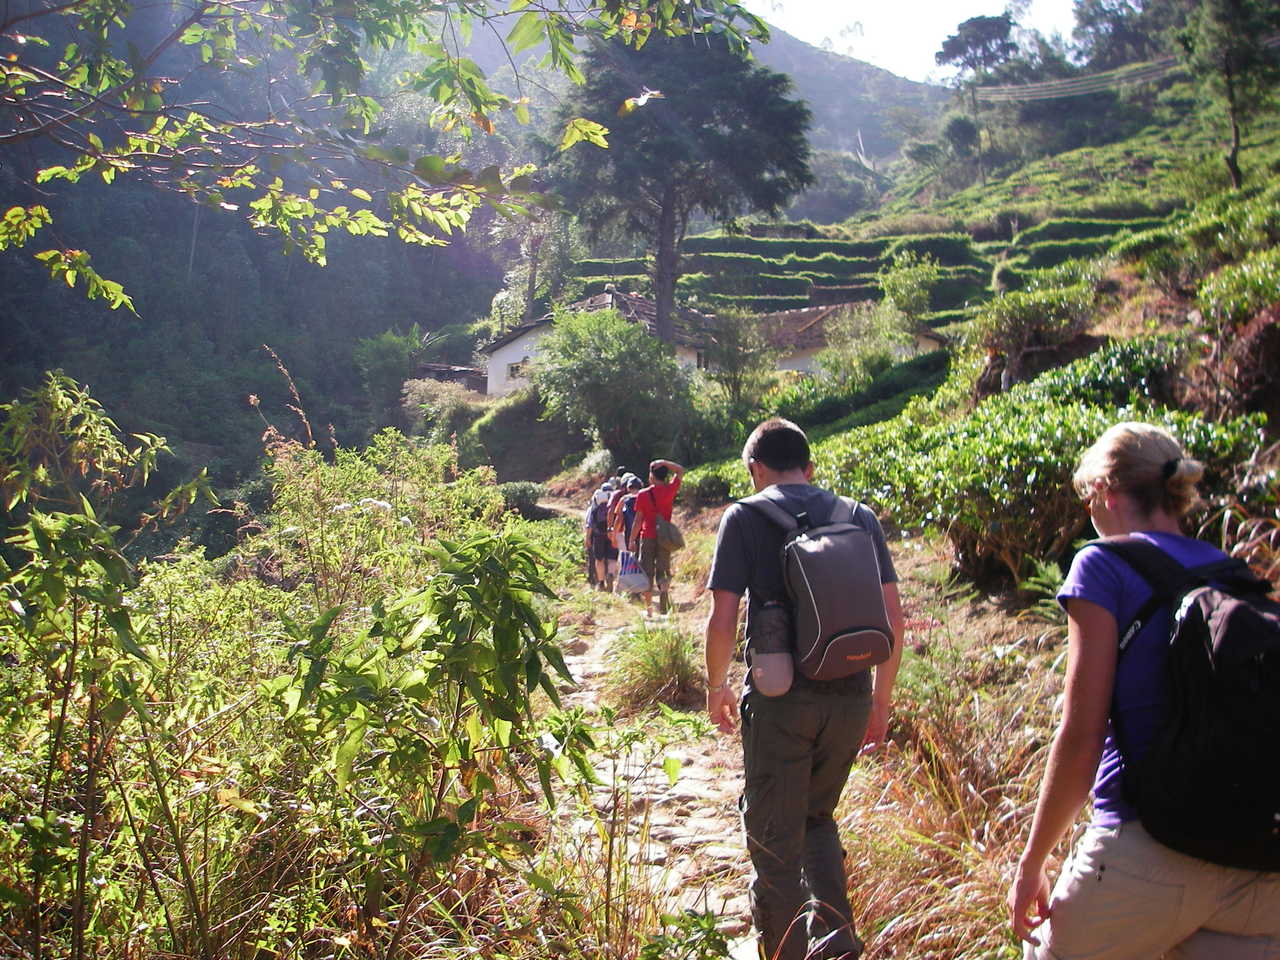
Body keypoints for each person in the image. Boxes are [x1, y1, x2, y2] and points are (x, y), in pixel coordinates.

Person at [1007, 422, 1280, 959]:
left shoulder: (1102, 563)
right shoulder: (1233, 572)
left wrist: (1032, 863)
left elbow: (1082, 735)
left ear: (1106, 492)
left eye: (1088, 499)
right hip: (1259, 860)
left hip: (1146, 848)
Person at [704, 418, 904, 960]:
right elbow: (894, 618)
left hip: (780, 697)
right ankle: (837, 946)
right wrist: (881, 702)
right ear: (810, 467)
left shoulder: (744, 516)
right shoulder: (857, 516)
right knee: (817, 817)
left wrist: (716, 686)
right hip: (851, 690)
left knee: (774, 839)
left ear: (755, 469)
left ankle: (786, 950)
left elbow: (723, 618)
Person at [629, 458, 685, 615]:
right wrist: (665, 463)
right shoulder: (670, 490)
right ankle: (664, 602)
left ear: (651, 476)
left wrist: (632, 539)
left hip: (647, 536)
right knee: (663, 570)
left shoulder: (643, 494)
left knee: (646, 572)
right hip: (664, 538)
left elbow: (638, 520)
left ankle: (648, 610)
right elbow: (680, 470)